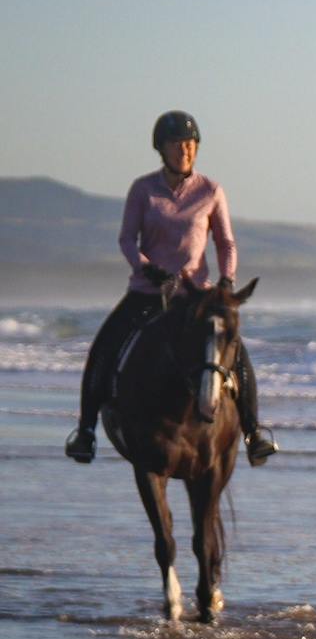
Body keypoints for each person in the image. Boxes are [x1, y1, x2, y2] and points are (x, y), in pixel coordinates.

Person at [65, 111, 277, 466]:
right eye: (178, 144)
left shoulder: (211, 191)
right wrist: (145, 267)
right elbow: (127, 239)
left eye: (192, 144)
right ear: (160, 148)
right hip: (148, 292)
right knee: (104, 346)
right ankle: (85, 431)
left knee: (235, 351)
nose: (186, 150)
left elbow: (226, 242)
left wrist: (226, 280)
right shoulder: (143, 190)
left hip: (196, 296)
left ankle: (253, 432)